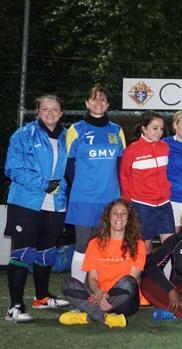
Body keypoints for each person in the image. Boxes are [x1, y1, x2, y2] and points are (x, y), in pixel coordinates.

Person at [4, 95, 70, 322]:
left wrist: (62, 193)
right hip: (26, 201)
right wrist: (44, 185)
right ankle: (15, 307)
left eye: (55, 109)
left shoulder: (67, 137)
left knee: (46, 252)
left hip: (56, 204)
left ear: (62, 113)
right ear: (37, 112)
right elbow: (12, 168)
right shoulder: (23, 135)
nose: (50, 113)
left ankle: (42, 298)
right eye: (45, 109)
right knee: (23, 252)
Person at [66, 86, 126, 283]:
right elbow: (69, 165)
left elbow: (121, 165)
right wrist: (83, 187)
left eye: (102, 99)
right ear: (86, 103)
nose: (98, 102)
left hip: (110, 198)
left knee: (105, 244)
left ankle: (103, 289)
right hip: (84, 197)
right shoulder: (76, 129)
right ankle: (77, 291)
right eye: (94, 98)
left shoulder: (117, 130)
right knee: (83, 244)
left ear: (108, 104)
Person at [59, 199, 146, 328]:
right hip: (99, 295)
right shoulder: (95, 243)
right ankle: (105, 317)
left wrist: (106, 296)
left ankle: (88, 314)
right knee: (68, 283)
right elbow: (92, 278)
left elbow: (133, 279)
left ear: (129, 219)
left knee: (128, 282)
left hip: (124, 299)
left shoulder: (138, 244)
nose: (119, 217)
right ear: (108, 217)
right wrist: (99, 294)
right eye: (115, 213)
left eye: (123, 213)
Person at [120, 111, 174, 255]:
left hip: (164, 204)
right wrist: (128, 204)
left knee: (170, 246)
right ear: (144, 128)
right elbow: (124, 178)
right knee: (145, 248)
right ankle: (142, 278)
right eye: (155, 128)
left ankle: (166, 277)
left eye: (161, 129)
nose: (159, 132)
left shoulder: (165, 147)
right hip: (142, 205)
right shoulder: (132, 150)